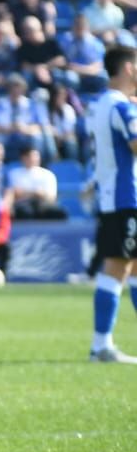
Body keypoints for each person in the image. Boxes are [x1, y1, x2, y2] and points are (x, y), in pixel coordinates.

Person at [87, 45, 137, 364]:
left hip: (116, 197)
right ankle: (101, 345)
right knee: (118, 267)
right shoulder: (121, 107)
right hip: (125, 199)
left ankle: (101, 344)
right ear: (129, 68)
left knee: (133, 267)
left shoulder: (103, 104)